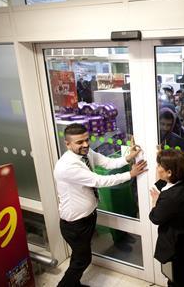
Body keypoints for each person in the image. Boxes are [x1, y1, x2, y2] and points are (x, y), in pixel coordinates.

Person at [54, 123, 147, 287]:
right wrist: (130, 174)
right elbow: (100, 180)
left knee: (79, 256)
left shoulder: (86, 152)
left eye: (86, 140)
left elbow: (106, 162)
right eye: (79, 142)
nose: (85, 145)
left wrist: (128, 157)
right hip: (75, 224)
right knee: (82, 259)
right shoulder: (67, 166)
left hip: (87, 217)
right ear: (67, 144)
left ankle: (73, 284)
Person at [149, 150, 184, 287]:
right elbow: (162, 183)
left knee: (177, 281)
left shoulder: (170, 197)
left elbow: (155, 218)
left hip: (178, 248)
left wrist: (155, 202)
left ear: (170, 172)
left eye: (160, 166)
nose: (157, 168)